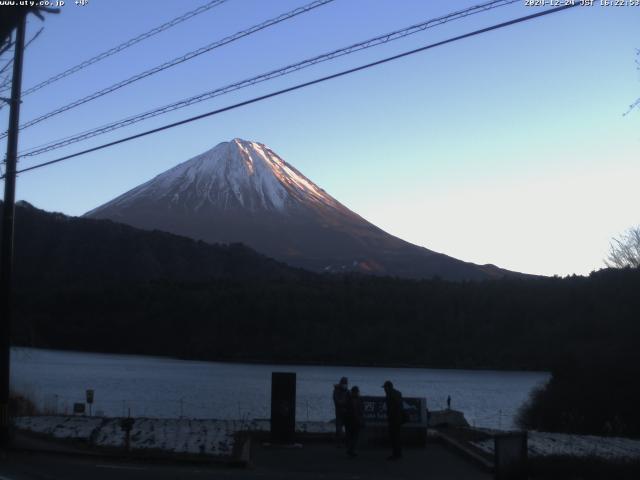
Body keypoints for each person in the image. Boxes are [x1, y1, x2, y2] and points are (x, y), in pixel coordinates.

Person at [382, 380, 403, 460]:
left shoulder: (389, 395)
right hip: (399, 417)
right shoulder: (398, 393)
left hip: (393, 418)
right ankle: (398, 453)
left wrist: (389, 416)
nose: (384, 389)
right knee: (397, 436)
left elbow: (391, 408)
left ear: (388, 387)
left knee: (394, 436)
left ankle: (395, 454)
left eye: (385, 387)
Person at [344, 386, 364, 457]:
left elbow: (360, 411)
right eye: (356, 392)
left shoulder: (350, 399)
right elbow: (359, 411)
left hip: (353, 421)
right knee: (354, 436)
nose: (357, 393)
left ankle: (351, 450)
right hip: (353, 421)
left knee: (353, 436)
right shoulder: (355, 400)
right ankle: (351, 450)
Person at [333, 377, 349, 443]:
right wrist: (344, 403)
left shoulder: (347, 391)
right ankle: (339, 442)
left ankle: (345, 441)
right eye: (344, 382)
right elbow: (337, 401)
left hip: (346, 412)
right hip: (339, 411)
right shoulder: (336, 391)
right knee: (339, 427)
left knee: (346, 426)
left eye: (346, 382)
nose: (345, 384)